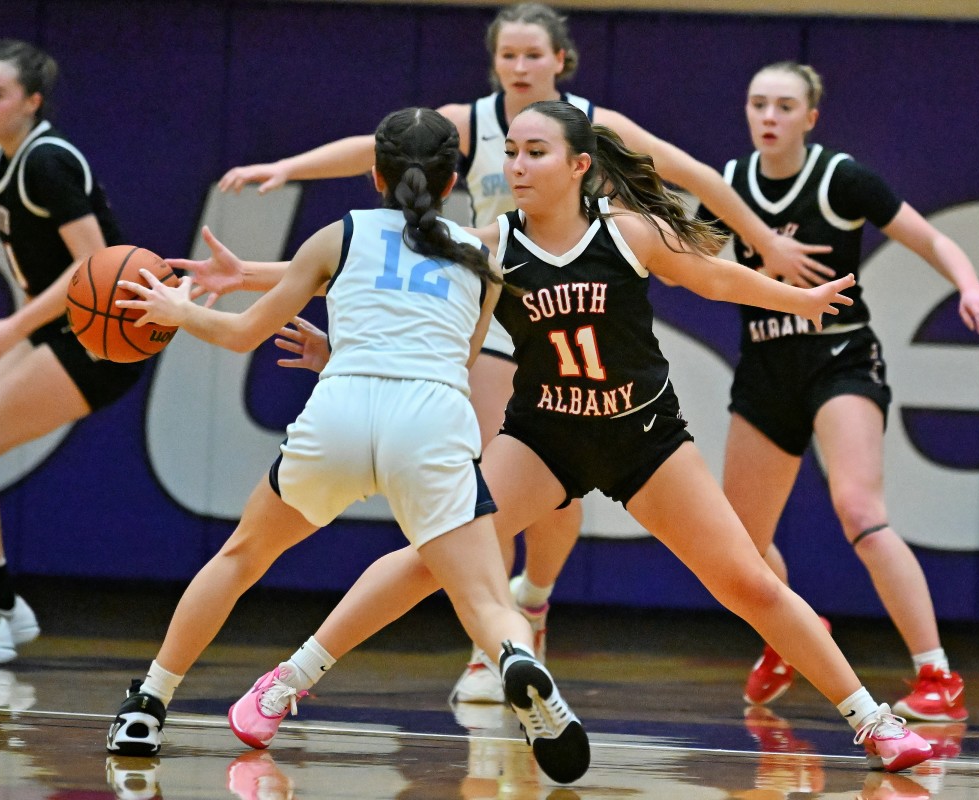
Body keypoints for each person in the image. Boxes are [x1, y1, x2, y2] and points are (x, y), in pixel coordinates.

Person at [218, 100, 935, 774]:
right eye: (511, 153)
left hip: (643, 436)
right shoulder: (488, 247)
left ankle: (874, 721)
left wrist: (799, 298)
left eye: (535, 152)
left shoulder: (627, 233)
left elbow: (714, 281)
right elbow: (369, 273)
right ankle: (286, 682)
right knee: (424, 561)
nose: (517, 165)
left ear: (580, 165)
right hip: (544, 437)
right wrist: (257, 282)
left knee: (749, 581)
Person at [212, 2, 832, 706]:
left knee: (572, 508)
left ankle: (532, 598)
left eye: (532, 55)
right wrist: (287, 172)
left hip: (584, 318)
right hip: (497, 305)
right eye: (508, 56)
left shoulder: (601, 142)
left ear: (560, 63)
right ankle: (494, 644)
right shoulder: (472, 135)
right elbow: (377, 163)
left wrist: (767, 244)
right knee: (478, 500)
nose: (519, 67)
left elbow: (695, 182)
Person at [103, 107, 591, 785]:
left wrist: (180, 312)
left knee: (241, 556)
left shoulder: (340, 234)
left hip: (341, 412)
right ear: (454, 179)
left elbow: (243, 334)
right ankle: (513, 657)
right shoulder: (484, 259)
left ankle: (148, 704)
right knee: (484, 599)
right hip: (431, 422)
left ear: (373, 174)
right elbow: (452, 354)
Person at [695, 62, 979, 721]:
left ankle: (936, 675)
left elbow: (931, 237)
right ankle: (791, 634)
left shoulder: (840, 179)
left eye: (784, 105)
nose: (769, 116)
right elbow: (690, 264)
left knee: (860, 509)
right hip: (765, 367)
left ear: (811, 117)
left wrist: (970, 286)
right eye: (758, 104)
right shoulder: (729, 187)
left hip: (839, 358)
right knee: (738, 545)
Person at [0, 40, 137, 665]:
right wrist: (22, 332)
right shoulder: (7, 157)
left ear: (32, 101)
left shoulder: (46, 162)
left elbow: (93, 264)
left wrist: (12, 327)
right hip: (62, 331)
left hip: (101, 338)